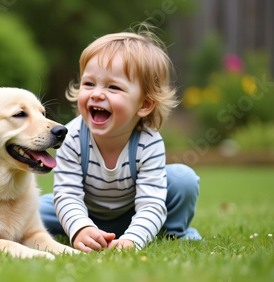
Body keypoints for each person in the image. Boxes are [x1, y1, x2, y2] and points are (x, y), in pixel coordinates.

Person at [40, 26, 202, 252]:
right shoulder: (73, 136)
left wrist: (133, 239)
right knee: (37, 208)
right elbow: (67, 194)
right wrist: (80, 228)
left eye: (113, 87)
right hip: (86, 210)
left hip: (133, 212)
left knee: (183, 180)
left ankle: (174, 233)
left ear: (144, 104)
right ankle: (85, 228)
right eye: (89, 83)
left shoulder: (148, 142)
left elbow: (151, 203)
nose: (96, 93)